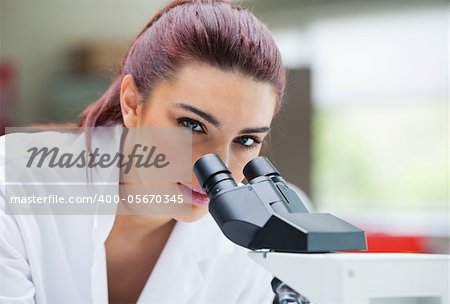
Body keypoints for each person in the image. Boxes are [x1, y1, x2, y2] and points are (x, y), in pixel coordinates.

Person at [0, 0, 287, 303]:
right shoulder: (12, 182)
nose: (219, 169)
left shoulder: (248, 250)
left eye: (245, 141)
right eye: (192, 125)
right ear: (132, 104)